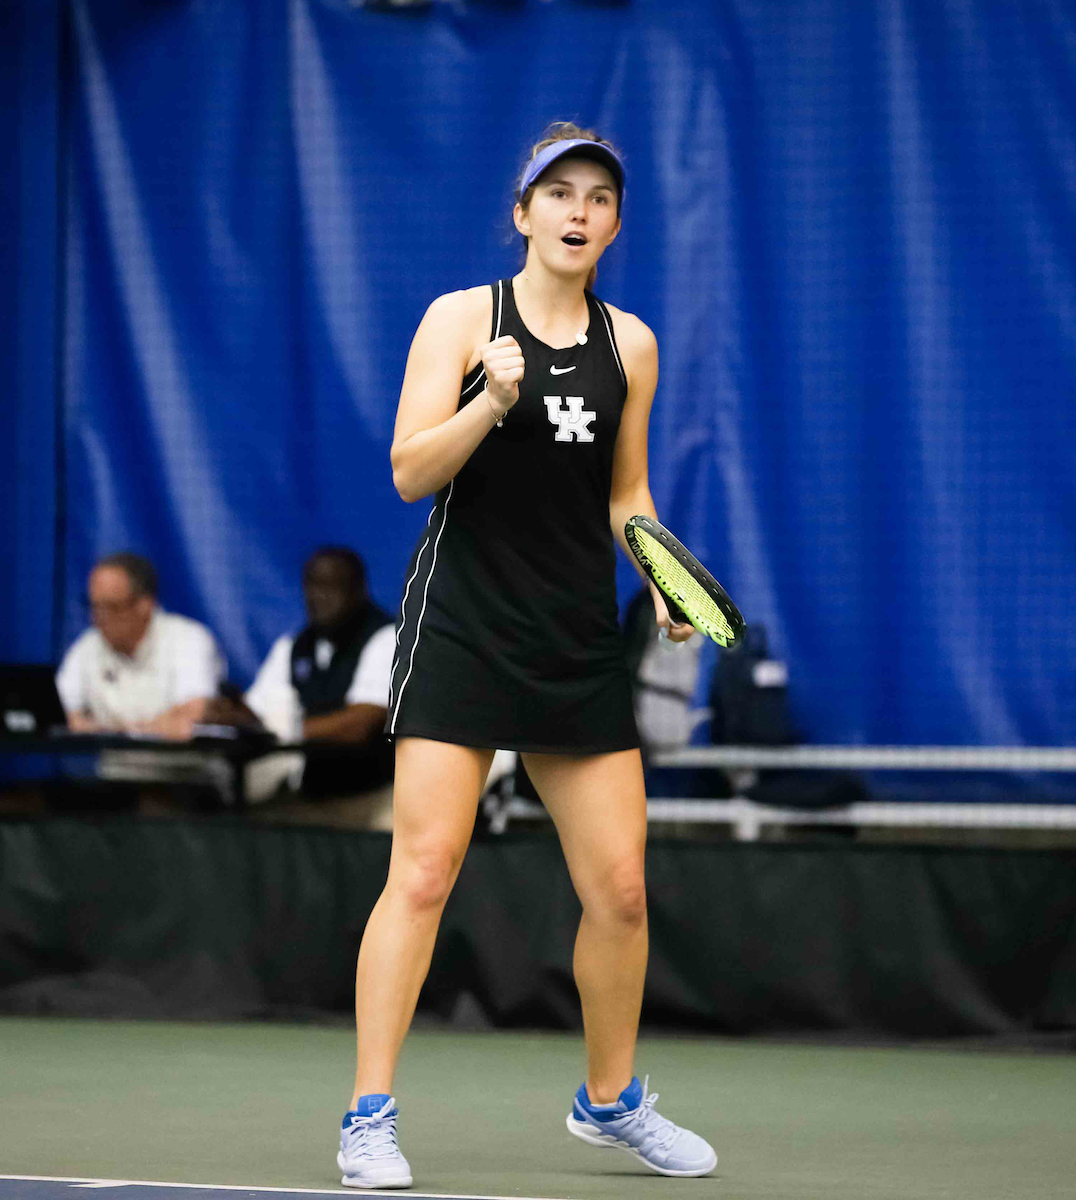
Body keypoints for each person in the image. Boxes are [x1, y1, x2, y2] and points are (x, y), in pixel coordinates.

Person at [336, 123, 718, 1189]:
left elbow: (625, 495)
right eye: (559, 192)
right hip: (461, 624)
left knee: (624, 892)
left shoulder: (630, 345)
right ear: (522, 212)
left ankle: (610, 1101)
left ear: (616, 224)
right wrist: (489, 401)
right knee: (422, 873)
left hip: (573, 637)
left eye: (599, 197)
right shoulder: (462, 320)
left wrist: (661, 578)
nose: (578, 211)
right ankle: (369, 1116)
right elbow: (412, 470)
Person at [238, 547, 398, 826]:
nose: (317, 596)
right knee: (249, 825)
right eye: (310, 586)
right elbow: (255, 713)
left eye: (329, 587)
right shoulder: (295, 646)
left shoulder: (386, 637)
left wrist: (289, 729)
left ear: (358, 590)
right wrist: (230, 713)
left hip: (377, 794)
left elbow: (362, 723)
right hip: (313, 793)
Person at [54, 552, 227, 804]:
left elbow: (190, 722)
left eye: (110, 607)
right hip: (116, 786)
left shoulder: (189, 640)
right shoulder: (87, 648)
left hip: (187, 784)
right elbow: (56, 717)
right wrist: (147, 728)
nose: (98, 618)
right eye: (93, 606)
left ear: (144, 605)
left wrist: (108, 730)